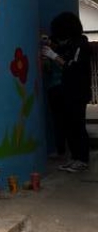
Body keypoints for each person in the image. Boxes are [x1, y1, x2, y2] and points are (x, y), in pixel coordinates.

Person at [42, 12, 92, 172]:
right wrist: (50, 43)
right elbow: (60, 47)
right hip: (68, 91)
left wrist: (53, 56)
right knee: (70, 126)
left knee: (78, 126)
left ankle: (82, 159)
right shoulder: (71, 44)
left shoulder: (81, 45)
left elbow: (72, 66)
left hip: (78, 92)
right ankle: (74, 158)